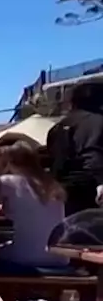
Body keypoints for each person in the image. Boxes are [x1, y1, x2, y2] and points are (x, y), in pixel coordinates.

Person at [0, 142, 69, 269]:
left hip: (26, 257)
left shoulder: (7, 181)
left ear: (8, 162)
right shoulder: (52, 184)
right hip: (59, 257)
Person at [48, 82, 103, 216]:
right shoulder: (98, 121)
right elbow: (93, 155)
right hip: (91, 190)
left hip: (63, 191)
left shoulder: (57, 127)